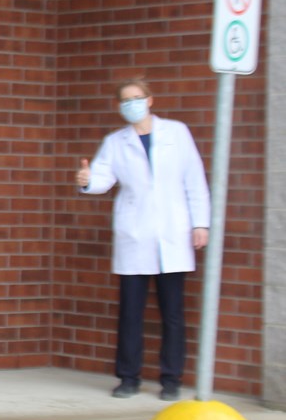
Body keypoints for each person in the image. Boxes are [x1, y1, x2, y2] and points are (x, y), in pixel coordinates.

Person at [76, 78, 209, 401]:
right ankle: (128, 377)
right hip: (134, 234)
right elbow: (103, 180)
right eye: (125, 100)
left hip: (173, 234)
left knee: (173, 313)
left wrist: (201, 223)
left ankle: (171, 378)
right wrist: (87, 180)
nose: (131, 104)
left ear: (150, 100)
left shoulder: (176, 133)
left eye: (137, 98)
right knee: (130, 312)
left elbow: (195, 179)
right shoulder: (115, 141)